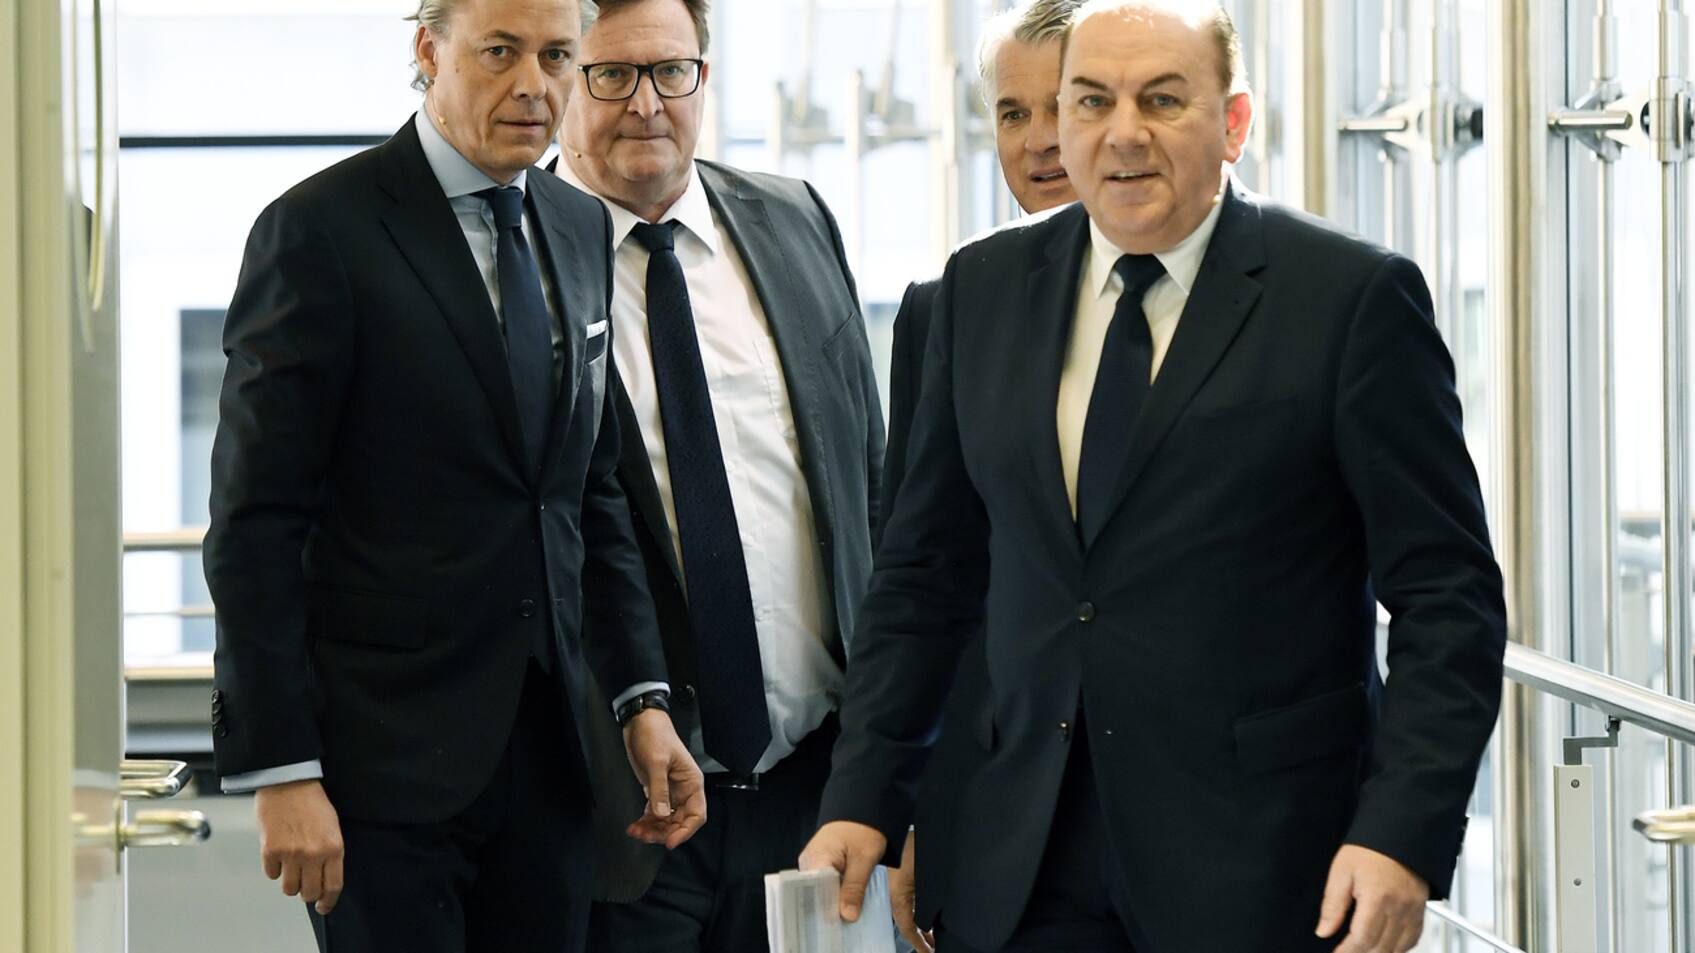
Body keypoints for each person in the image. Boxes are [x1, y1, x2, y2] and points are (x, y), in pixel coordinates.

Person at [802, 2, 1507, 952]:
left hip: (1264, 864)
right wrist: (863, 796)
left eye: (1162, 100)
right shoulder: (980, 291)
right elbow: (924, 577)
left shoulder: (1347, 299)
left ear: (1234, 122)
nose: (1122, 132)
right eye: (1091, 101)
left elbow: (1448, 597)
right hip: (1021, 865)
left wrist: (1400, 833)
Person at [204, 0, 705, 950]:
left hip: (553, 762)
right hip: (379, 772)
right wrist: (282, 765)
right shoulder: (320, 229)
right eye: (500, 52)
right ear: (429, 50)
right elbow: (254, 521)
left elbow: (587, 492)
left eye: (556, 57)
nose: (533, 86)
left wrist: (641, 699)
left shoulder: (575, 223)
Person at [550, 1, 884, 951]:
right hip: (623, 809)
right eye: (610, 75)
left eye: (671, 70)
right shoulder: (518, 261)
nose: (646, 103)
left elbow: (870, 486)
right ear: (562, 78)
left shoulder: (794, 219)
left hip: (817, 795)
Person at [879, 3, 1082, 950]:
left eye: (1064, 106)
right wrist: (915, 808)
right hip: (997, 813)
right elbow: (925, 586)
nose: (1038, 141)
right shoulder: (943, 309)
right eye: (1011, 113)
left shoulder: (1281, 294)